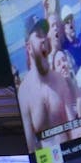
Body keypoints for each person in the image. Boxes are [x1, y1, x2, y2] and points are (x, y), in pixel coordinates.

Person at [17, 13, 72, 150]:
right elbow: (31, 147)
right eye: (38, 35)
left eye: (44, 34)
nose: (43, 39)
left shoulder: (59, 80)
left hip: (71, 155)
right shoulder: (24, 93)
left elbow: (74, 127)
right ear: (29, 47)